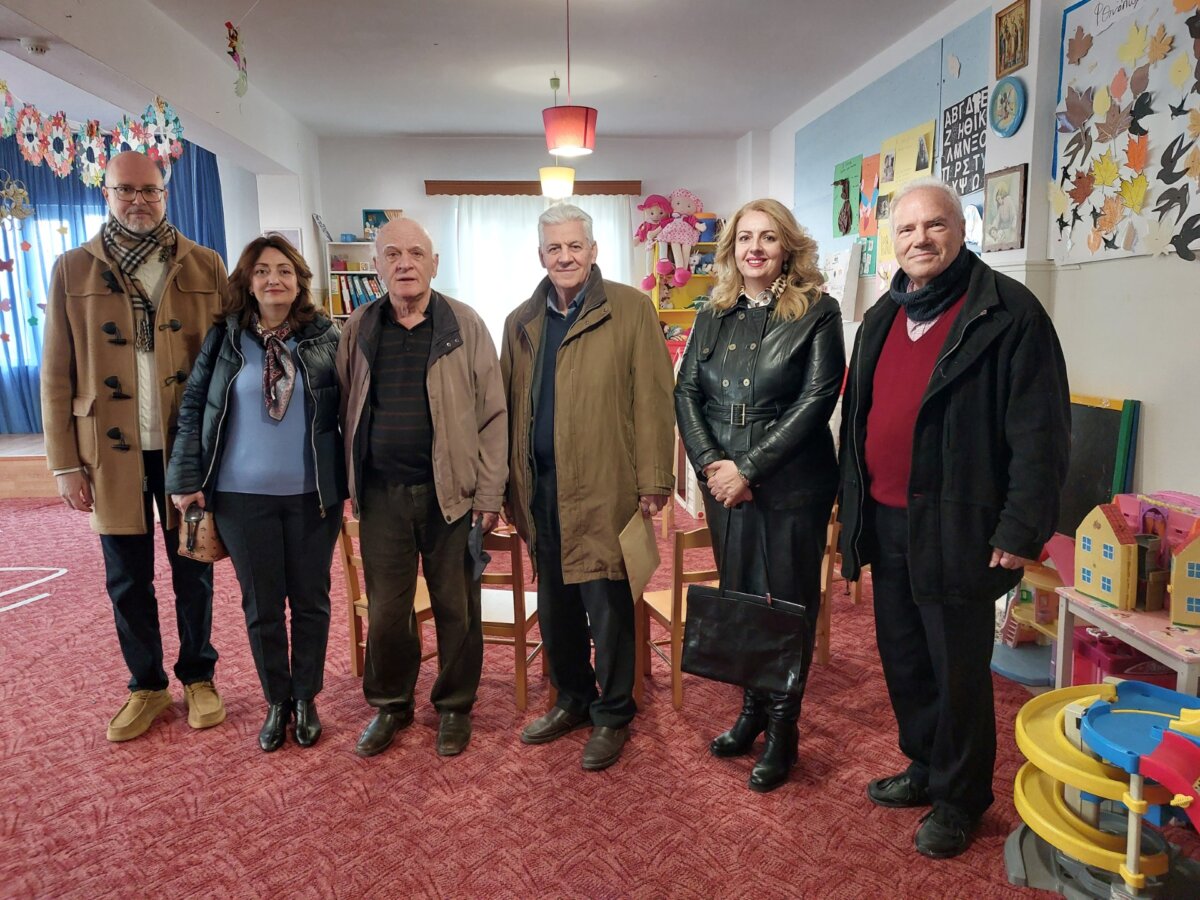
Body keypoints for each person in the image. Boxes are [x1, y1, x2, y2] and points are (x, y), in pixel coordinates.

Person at [838, 178, 1070, 858]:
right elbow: (859, 420)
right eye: (907, 229)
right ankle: (924, 763)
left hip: (959, 525)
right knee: (904, 656)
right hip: (887, 519)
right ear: (893, 241)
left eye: (934, 225)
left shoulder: (1009, 313)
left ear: (962, 230)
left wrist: (1020, 528)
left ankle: (961, 797)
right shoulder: (883, 315)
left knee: (958, 668)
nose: (921, 239)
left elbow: (1041, 434)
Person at [41, 150, 228, 742]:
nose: (138, 201)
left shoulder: (204, 263)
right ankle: (146, 685)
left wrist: (222, 451)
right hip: (107, 451)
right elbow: (56, 374)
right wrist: (64, 464)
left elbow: (227, 364)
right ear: (107, 194)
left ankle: (199, 676)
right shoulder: (72, 269)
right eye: (126, 190)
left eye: (149, 190)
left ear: (165, 193)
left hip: (185, 449)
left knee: (193, 569)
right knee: (126, 578)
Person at [675, 198, 844, 793]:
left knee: (789, 602)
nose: (755, 248)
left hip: (793, 480)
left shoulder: (818, 311)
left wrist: (748, 468)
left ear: (787, 247)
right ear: (731, 249)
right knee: (742, 596)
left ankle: (783, 729)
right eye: (745, 238)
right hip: (723, 481)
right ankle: (750, 712)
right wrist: (711, 466)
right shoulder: (712, 312)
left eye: (768, 238)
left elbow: (817, 399)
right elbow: (686, 391)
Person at [502, 203, 674, 771]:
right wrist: (506, 488)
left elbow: (654, 398)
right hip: (541, 489)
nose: (565, 257)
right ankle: (572, 699)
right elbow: (507, 409)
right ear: (541, 255)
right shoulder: (520, 322)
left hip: (606, 484)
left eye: (575, 246)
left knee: (608, 603)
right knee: (556, 604)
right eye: (555, 248)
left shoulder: (631, 309)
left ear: (594, 250)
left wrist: (654, 477)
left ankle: (614, 712)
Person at [165, 235, 346, 752]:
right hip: (240, 498)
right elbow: (194, 408)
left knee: (311, 601)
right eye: (263, 270)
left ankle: (306, 698)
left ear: (299, 280)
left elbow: (350, 408)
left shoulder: (325, 337)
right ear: (247, 281)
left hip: (313, 496)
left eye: (284, 270)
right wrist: (185, 479)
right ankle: (276, 700)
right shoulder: (225, 338)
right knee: (261, 606)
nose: (274, 279)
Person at [336, 217, 507, 759]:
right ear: (377, 265)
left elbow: (493, 415)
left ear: (435, 263)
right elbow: (346, 402)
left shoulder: (464, 323)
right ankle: (391, 704)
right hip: (382, 496)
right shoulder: (359, 326)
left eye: (415, 253)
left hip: (451, 495)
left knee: (457, 607)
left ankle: (455, 706)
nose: (404, 263)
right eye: (392, 254)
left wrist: (489, 494)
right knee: (387, 611)